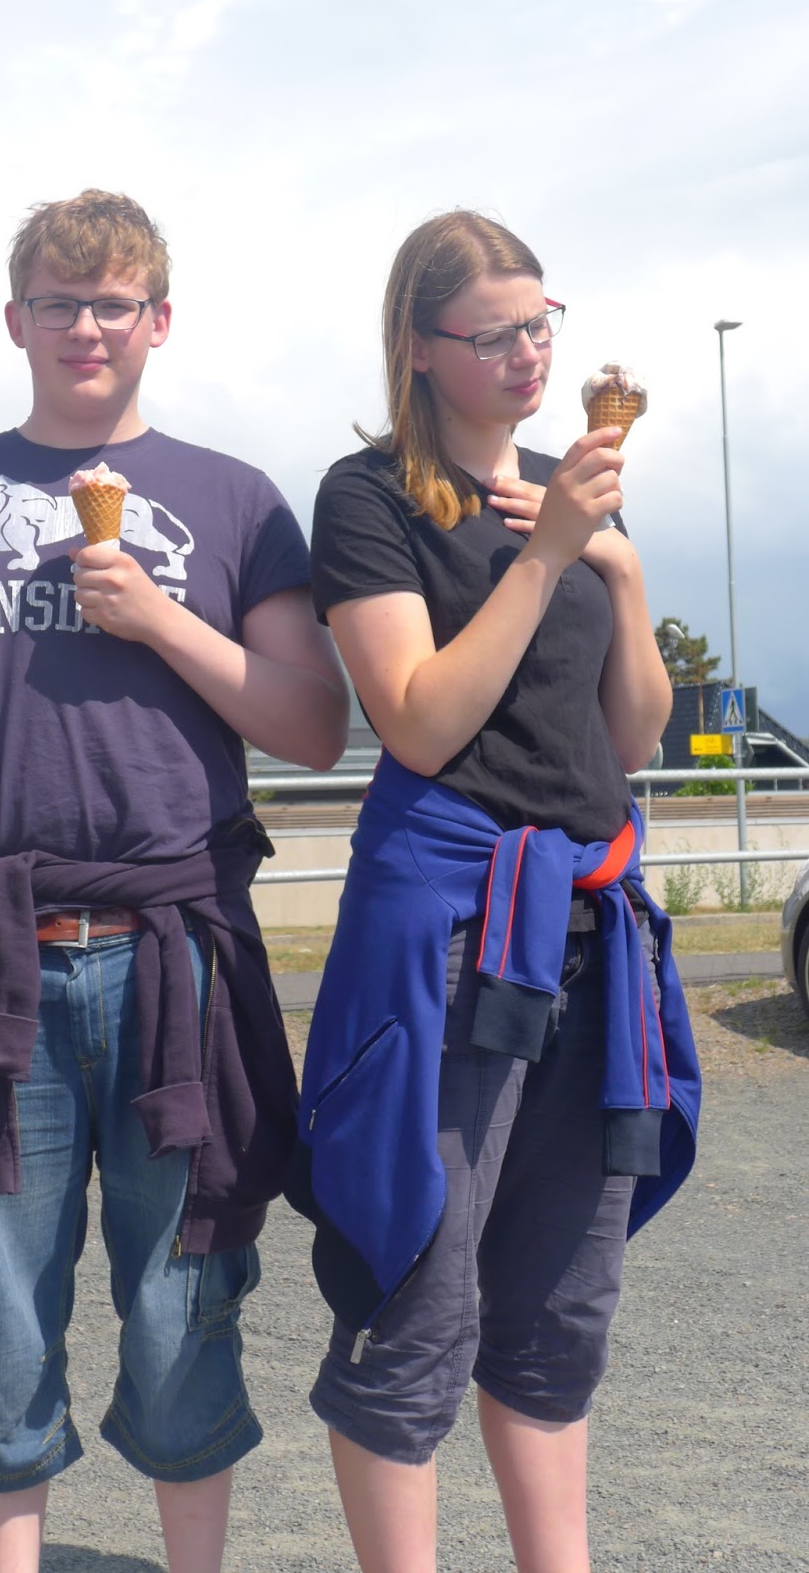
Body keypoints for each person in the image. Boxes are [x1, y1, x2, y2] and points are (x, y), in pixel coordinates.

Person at [0, 187, 348, 1573]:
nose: (87, 327)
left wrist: (161, 617)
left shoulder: (236, 499)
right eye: (60, 302)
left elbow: (313, 723)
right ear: (17, 320)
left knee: (186, 1303)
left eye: (115, 303)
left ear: (160, 320)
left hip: (179, 952)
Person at [286, 210, 701, 1573]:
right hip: (454, 931)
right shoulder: (369, 497)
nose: (529, 354)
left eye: (541, 324)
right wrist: (546, 553)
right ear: (419, 347)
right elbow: (416, 721)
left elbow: (628, 739)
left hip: (591, 927)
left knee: (560, 1302)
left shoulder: (578, 498)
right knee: (416, 1287)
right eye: (494, 334)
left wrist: (615, 567)